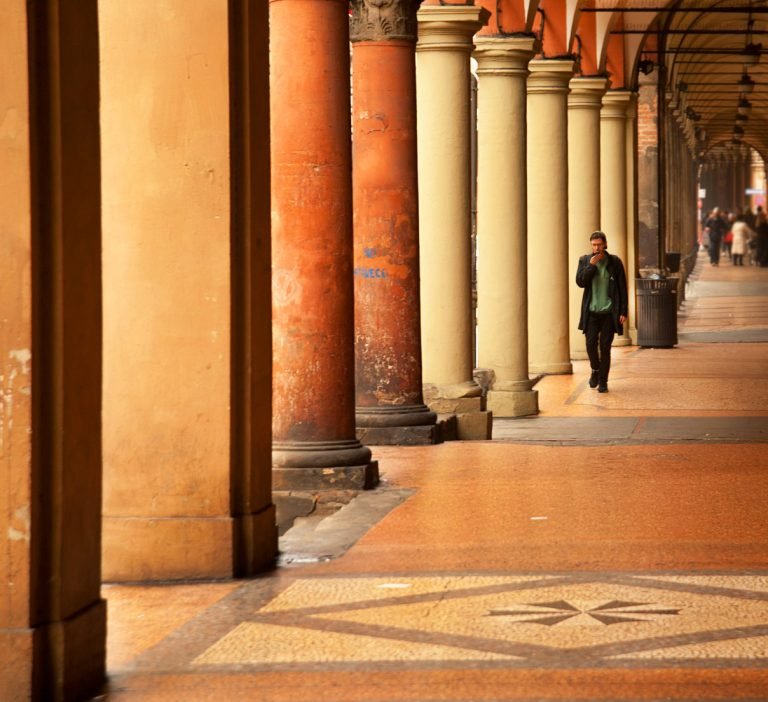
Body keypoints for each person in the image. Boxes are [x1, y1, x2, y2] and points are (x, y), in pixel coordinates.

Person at [575, 231, 629, 394]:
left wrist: (623, 310)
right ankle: (595, 370)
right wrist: (591, 266)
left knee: (605, 348)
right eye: (593, 244)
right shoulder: (585, 260)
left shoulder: (614, 262)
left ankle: (603, 381)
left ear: (605, 244)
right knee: (590, 345)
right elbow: (580, 282)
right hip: (591, 312)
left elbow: (622, 287)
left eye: (599, 244)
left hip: (608, 312)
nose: (596, 247)